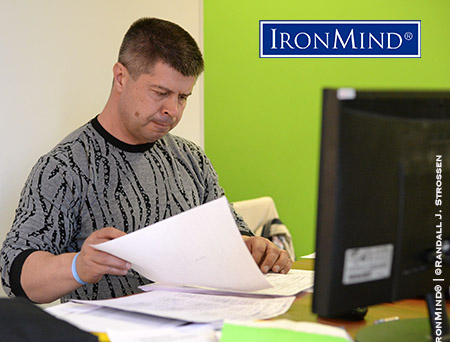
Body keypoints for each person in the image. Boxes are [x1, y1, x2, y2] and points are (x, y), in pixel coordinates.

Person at [0, 18, 292, 304]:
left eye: (183, 97)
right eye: (161, 93)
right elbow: (14, 274)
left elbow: (231, 235)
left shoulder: (192, 159)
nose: (173, 111)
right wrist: (78, 266)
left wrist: (254, 248)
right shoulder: (65, 167)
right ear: (121, 77)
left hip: (196, 332)